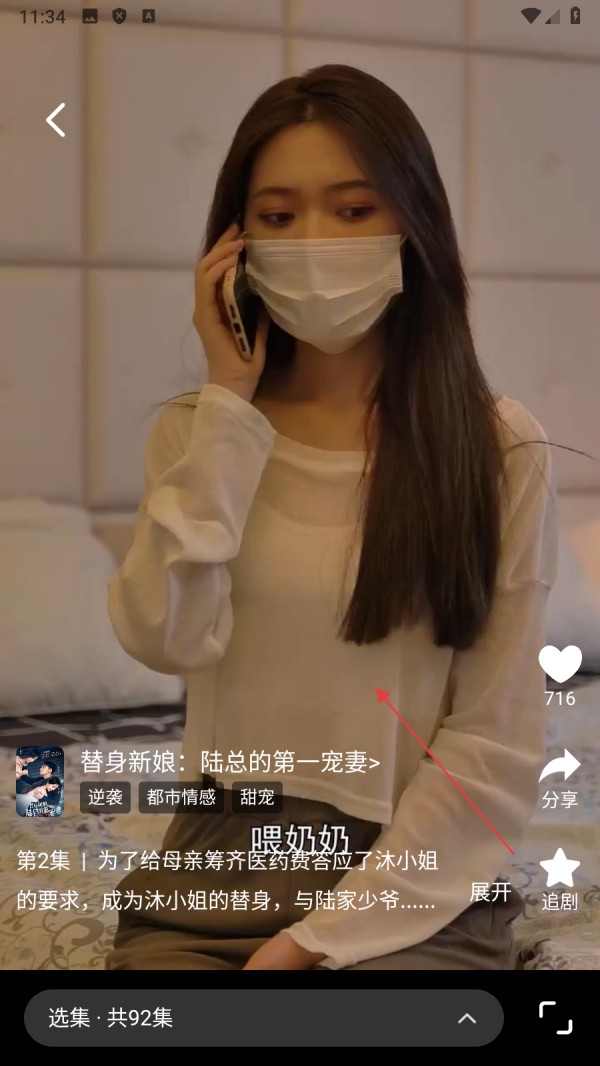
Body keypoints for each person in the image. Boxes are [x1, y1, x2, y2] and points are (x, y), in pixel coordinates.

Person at [105, 64, 558, 971]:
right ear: (234, 245)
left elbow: (494, 745)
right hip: (222, 863)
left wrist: (309, 946)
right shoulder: (198, 433)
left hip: (419, 871)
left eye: (353, 210)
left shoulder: (497, 447)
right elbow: (164, 637)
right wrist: (228, 402)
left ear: (413, 223)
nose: (314, 242)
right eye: (278, 217)